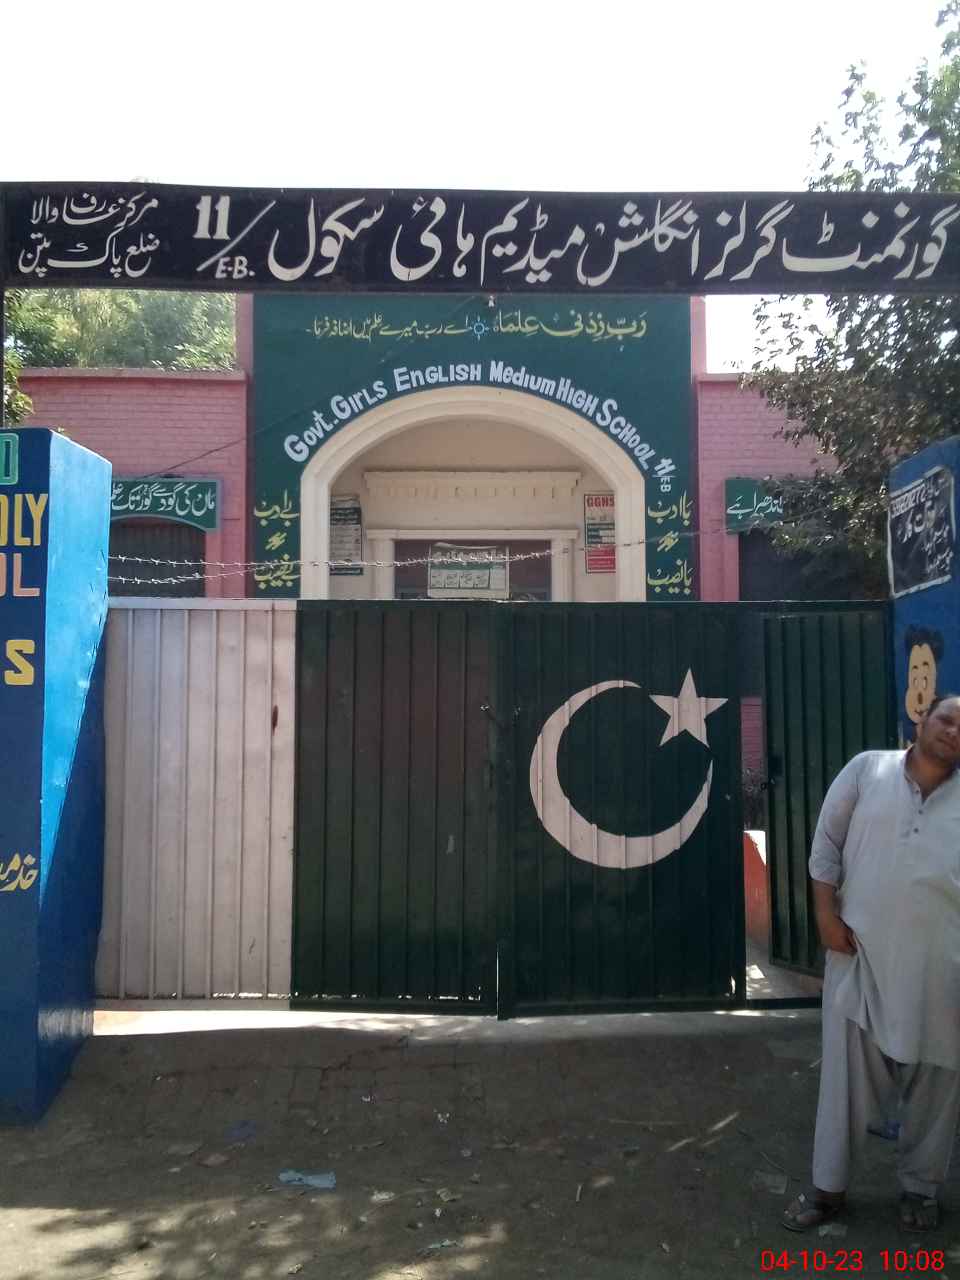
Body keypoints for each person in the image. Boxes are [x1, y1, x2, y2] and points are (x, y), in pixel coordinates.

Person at [782, 695, 960, 1234]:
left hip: (943, 970)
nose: (954, 731)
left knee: (938, 1082)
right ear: (922, 719)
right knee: (843, 1083)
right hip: (861, 957)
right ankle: (827, 1190)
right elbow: (826, 845)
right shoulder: (868, 769)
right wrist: (824, 916)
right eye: (947, 719)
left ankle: (921, 1188)